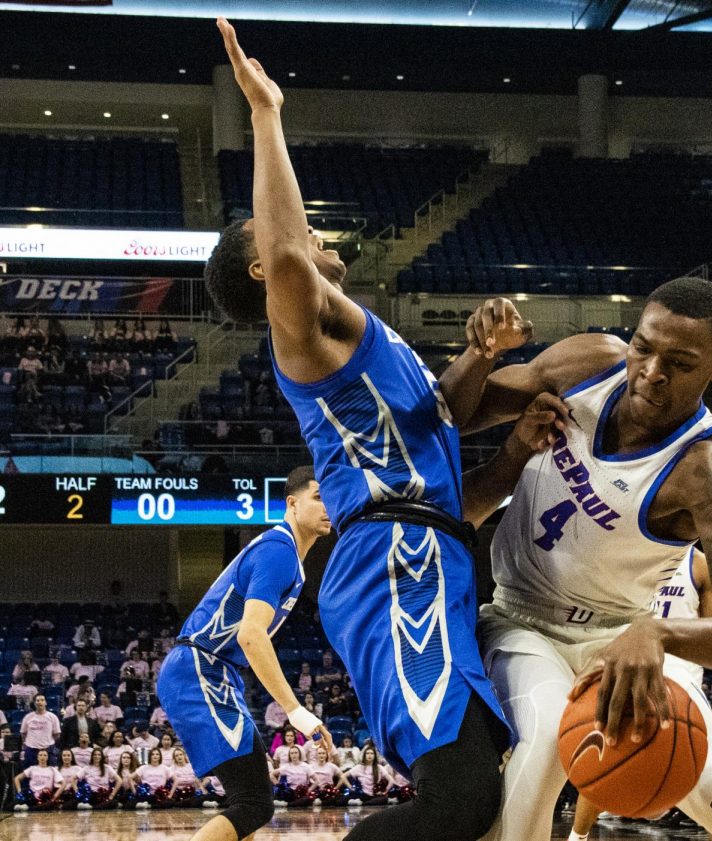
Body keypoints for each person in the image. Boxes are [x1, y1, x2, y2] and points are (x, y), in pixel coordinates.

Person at [207, 18, 543, 841]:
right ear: (265, 271)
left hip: (429, 553)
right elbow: (288, 254)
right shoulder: (310, 343)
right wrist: (266, 114)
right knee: (460, 800)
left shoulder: (374, 342)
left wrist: (483, 364)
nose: (314, 236)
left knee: (479, 798)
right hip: (390, 566)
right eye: (291, 239)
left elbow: (446, 438)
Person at [446, 277, 712, 841]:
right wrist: (482, 352)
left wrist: (660, 634)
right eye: (643, 347)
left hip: (619, 639)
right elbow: (450, 413)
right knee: (545, 740)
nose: (650, 371)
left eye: (680, 362)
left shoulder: (709, 473)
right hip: (519, 618)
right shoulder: (587, 364)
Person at [156, 467, 333, 841]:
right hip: (201, 668)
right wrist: (296, 711)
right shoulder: (279, 551)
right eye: (318, 497)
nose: (328, 505)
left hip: (212, 671)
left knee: (249, 802)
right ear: (291, 502)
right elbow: (251, 635)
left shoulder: (285, 554)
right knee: (254, 803)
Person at [569, 546, 712, 838]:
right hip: (631, 676)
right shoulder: (626, 553)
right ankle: (576, 837)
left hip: (682, 685)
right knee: (603, 763)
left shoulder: (699, 565)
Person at [20, 694, 61, 768]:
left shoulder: (52, 717)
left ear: (45, 703)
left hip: (48, 749)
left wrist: (47, 743)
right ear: (35, 703)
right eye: (37, 700)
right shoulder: (28, 717)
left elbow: (57, 734)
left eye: (42, 700)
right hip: (31, 750)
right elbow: (23, 733)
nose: (40, 702)